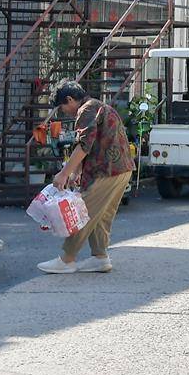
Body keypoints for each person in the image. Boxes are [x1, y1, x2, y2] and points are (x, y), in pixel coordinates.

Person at [37, 82, 134, 274]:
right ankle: (100, 257)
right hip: (122, 168)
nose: (64, 112)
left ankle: (67, 259)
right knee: (101, 215)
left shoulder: (86, 110)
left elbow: (83, 144)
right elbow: (91, 143)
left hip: (106, 171)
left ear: (70, 100)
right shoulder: (98, 105)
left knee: (84, 214)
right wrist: (76, 172)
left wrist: (64, 174)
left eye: (63, 107)